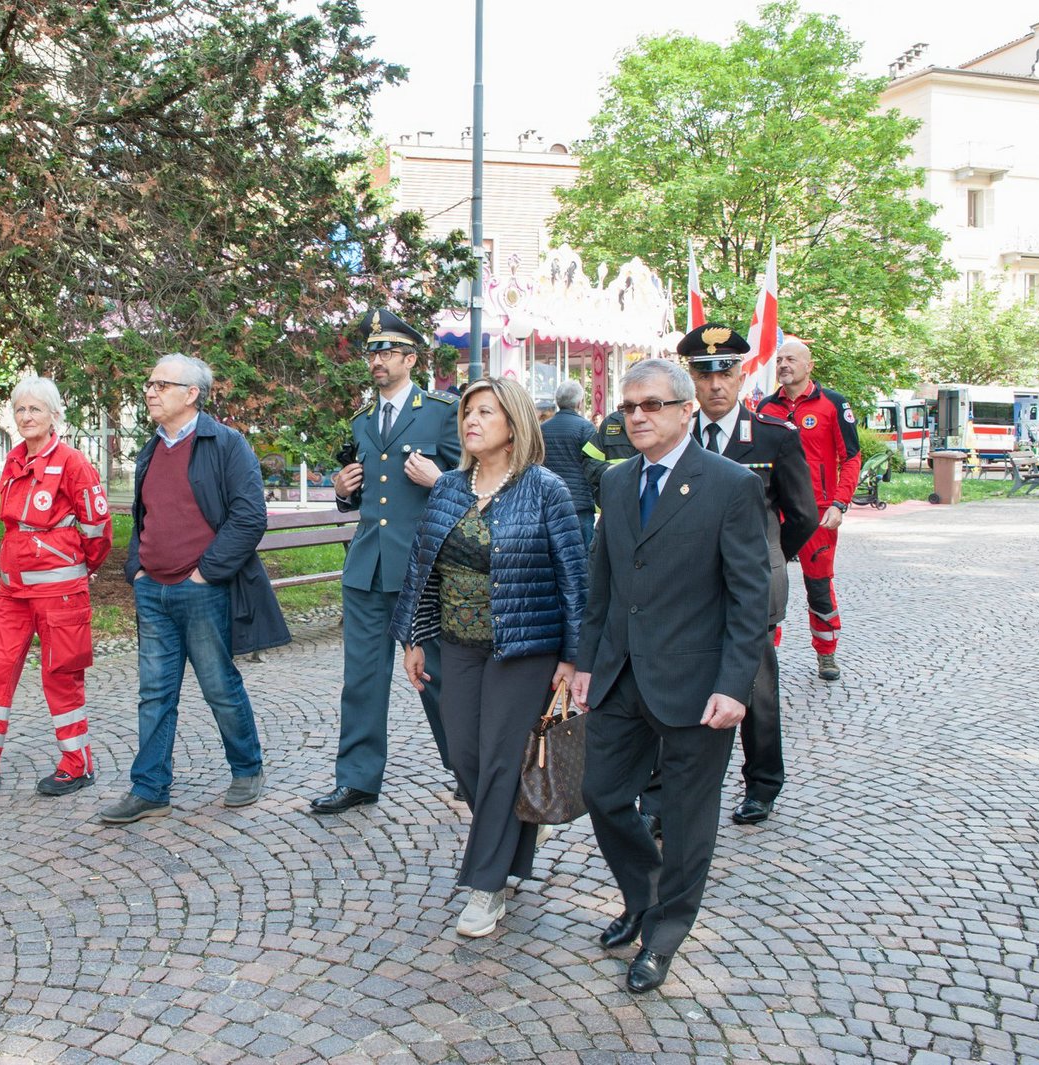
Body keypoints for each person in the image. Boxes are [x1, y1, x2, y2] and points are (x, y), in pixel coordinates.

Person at [571, 356, 770, 994]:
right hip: (622, 673)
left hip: (697, 684)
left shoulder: (730, 484)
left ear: (687, 410)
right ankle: (643, 894)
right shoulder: (619, 482)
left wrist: (735, 686)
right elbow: (602, 583)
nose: (637, 417)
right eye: (628, 406)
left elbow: (749, 597)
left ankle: (664, 935)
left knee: (685, 823)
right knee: (601, 794)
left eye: (652, 404)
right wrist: (582, 662)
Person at [391, 376, 587, 938]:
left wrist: (572, 658)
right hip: (457, 646)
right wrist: (414, 639)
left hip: (524, 647)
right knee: (466, 757)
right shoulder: (450, 487)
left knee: (502, 759)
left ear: (514, 425)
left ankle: (486, 886)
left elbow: (575, 578)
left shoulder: (544, 489)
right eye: (468, 412)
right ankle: (518, 834)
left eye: (486, 413)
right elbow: (422, 569)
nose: (471, 421)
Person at [99, 353, 290, 824]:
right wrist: (136, 568)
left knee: (219, 686)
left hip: (202, 590)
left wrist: (205, 573)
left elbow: (250, 518)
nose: (150, 391)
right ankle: (149, 788)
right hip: (152, 591)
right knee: (154, 693)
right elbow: (142, 517)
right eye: (149, 383)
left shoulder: (226, 444)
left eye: (162, 384)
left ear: (192, 394)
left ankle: (247, 769)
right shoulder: (150, 449)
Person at [0, 377, 112, 798]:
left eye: (35, 410)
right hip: (12, 594)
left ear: (54, 416)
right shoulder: (14, 462)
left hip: (59, 596)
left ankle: (76, 764)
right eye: (21, 410)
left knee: (61, 679)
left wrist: (74, 567)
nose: (27, 417)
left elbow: (97, 531)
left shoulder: (72, 463)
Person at [311, 308, 460, 816]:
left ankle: (467, 768)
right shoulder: (360, 420)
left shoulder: (442, 413)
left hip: (423, 568)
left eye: (386, 351)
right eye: (371, 352)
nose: (376, 360)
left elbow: (476, 483)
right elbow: (365, 492)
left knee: (437, 675)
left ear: (411, 358)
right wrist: (340, 491)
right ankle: (357, 778)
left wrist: (440, 480)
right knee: (362, 679)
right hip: (367, 567)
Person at [679, 326, 818, 825]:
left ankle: (762, 784)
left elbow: (803, 514)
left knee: (755, 688)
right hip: (688, 585)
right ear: (691, 379)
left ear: (742, 375)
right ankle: (679, 787)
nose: (716, 384)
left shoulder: (773, 438)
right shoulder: (676, 436)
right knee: (684, 681)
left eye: (727, 372)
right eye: (704, 373)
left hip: (753, 583)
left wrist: (771, 556)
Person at [757, 339, 859, 681]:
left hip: (818, 514)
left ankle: (826, 654)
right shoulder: (766, 408)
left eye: (791, 359)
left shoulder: (833, 404)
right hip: (776, 514)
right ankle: (766, 655)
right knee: (769, 582)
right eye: (780, 359)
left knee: (818, 586)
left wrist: (840, 503)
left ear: (808, 365)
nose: (784, 365)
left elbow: (851, 457)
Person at [540, 379, 598, 549]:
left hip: (549, 501)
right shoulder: (586, 428)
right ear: (579, 403)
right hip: (580, 503)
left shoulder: (543, 429)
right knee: (583, 553)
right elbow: (593, 465)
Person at [581, 408, 638, 507]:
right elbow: (588, 462)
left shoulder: (663, 420)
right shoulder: (611, 421)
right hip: (615, 503)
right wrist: (610, 470)